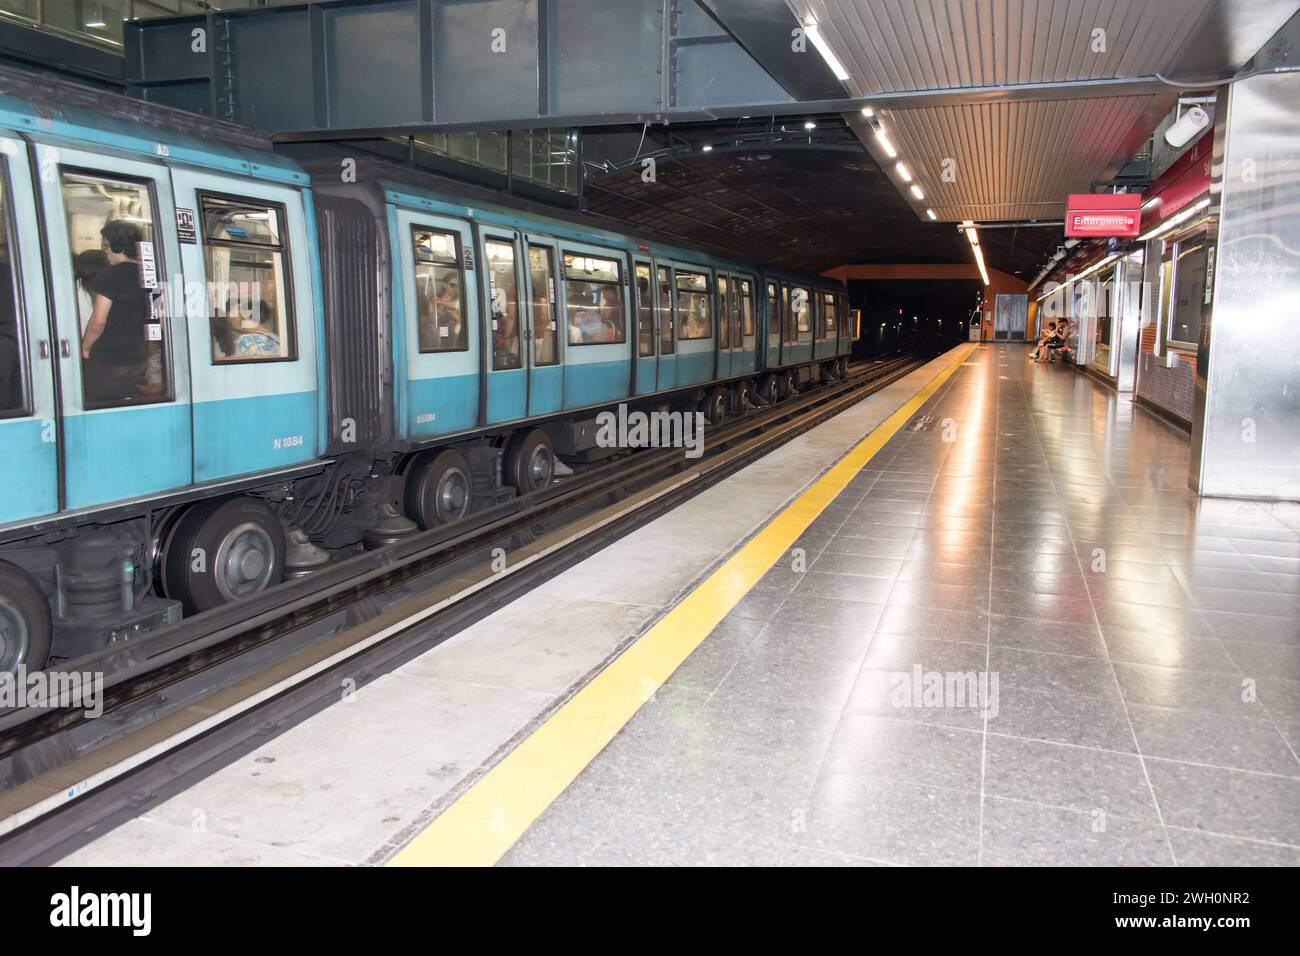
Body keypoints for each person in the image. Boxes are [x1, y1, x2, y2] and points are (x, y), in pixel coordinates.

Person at [81, 221, 150, 404]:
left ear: (116, 246)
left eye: (107, 245)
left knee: (100, 408)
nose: (105, 251)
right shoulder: (150, 277)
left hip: (108, 359)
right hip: (137, 358)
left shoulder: (109, 276)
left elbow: (99, 321)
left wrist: (85, 347)